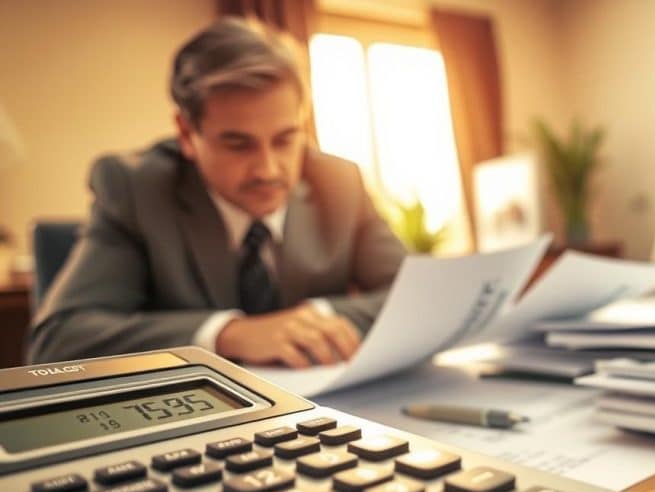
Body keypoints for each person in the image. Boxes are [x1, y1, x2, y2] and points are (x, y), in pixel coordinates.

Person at [28, 18, 407, 368]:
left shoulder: (339, 182)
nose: (268, 170)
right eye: (238, 144)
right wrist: (228, 334)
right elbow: (59, 338)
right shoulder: (135, 189)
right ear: (186, 134)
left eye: (285, 139)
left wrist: (316, 321)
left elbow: (417, 299)